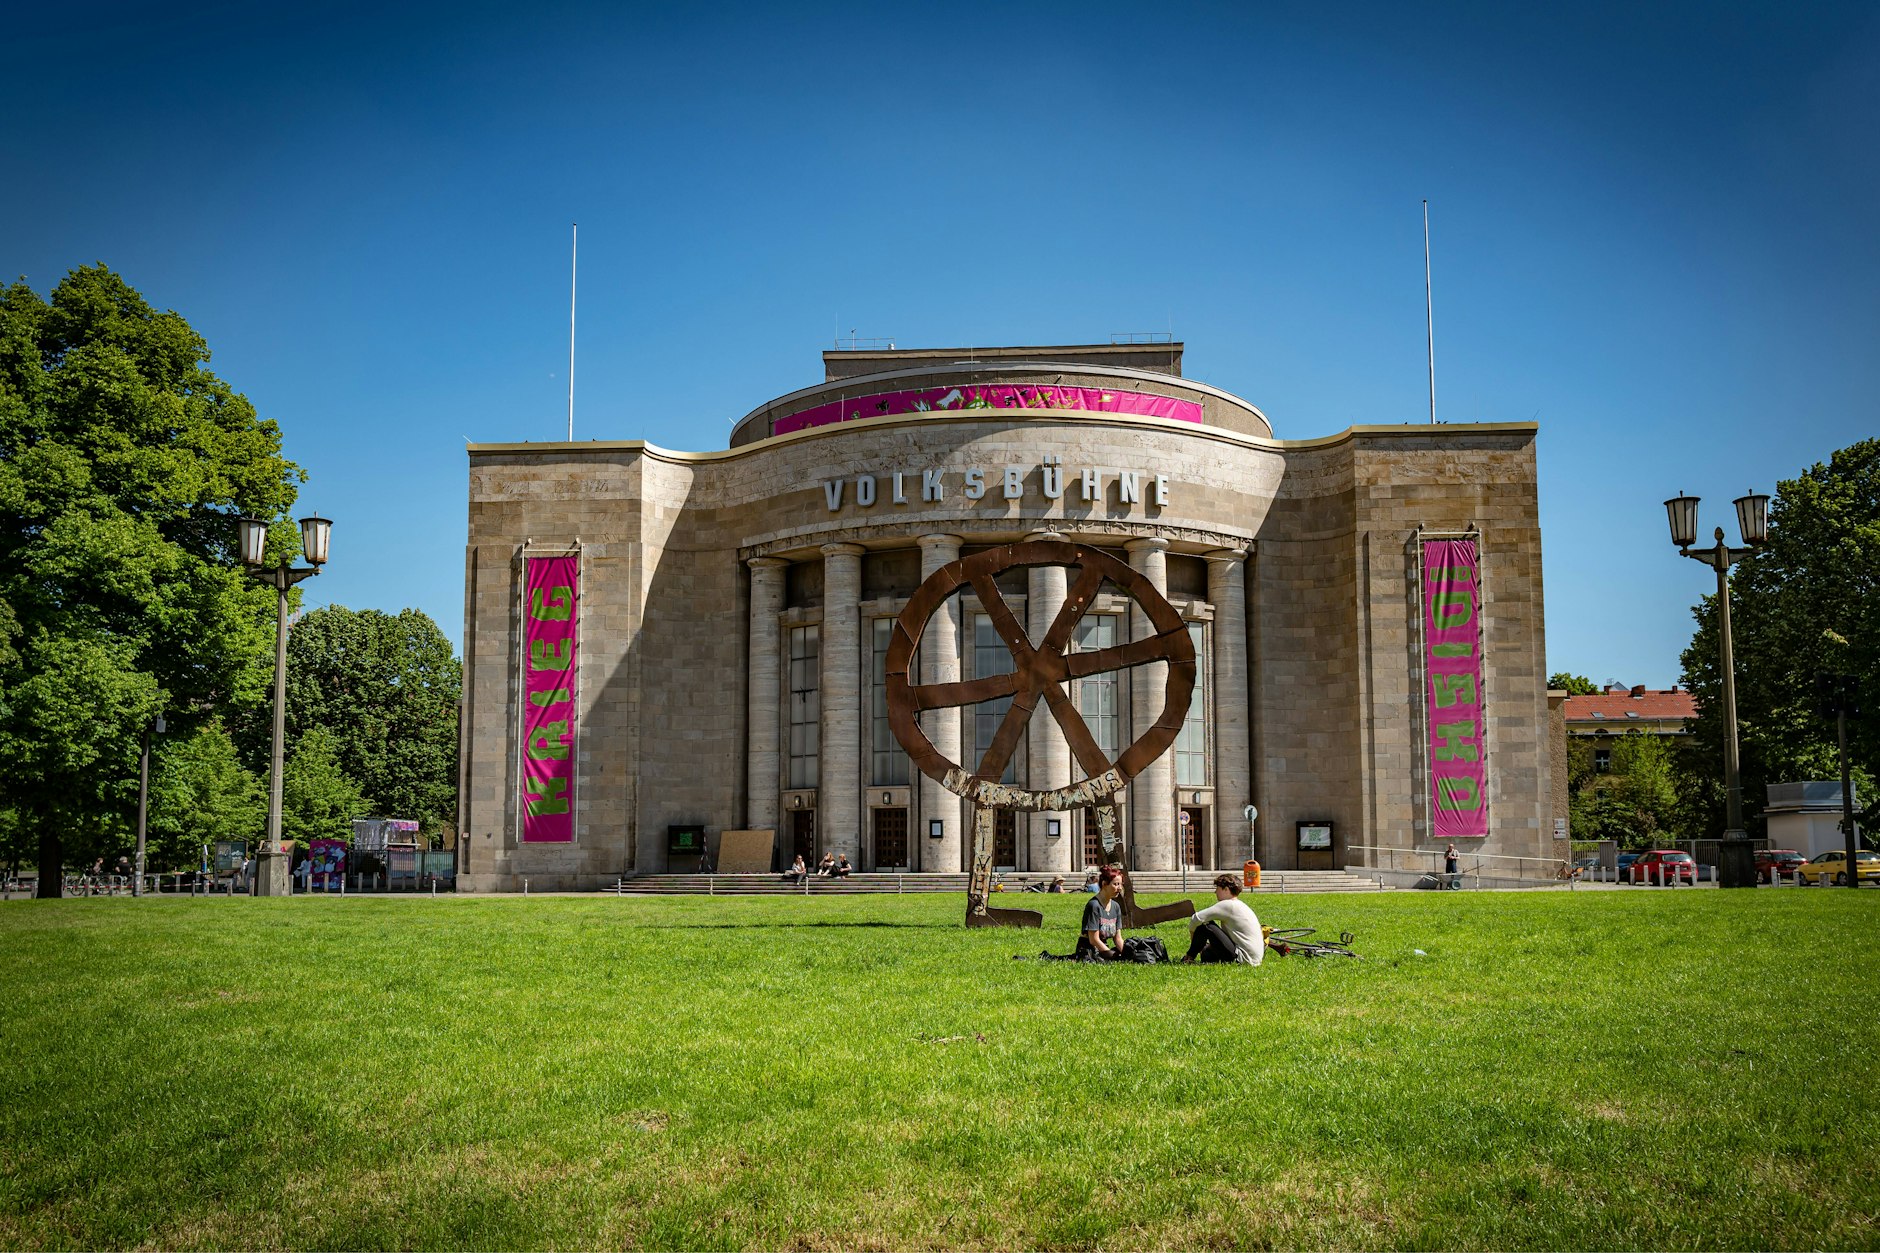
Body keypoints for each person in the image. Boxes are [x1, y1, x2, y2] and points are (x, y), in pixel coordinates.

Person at [1181, 874, 1265, 965]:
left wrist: (1193, 936)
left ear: (1226, 889)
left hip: (1243, 958)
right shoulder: (1240, 905)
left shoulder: (1228, 904)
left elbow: (1196, 919)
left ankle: (1189, 957)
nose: (1215, 892)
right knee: (1206, 954)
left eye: (1218, 888)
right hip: (1251, 958)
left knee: (1205, 924)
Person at [1076, 866, 1126, 961]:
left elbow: (1118, 939)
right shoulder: (1094, 905)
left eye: (1120, 884)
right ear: (1104, 884)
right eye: (1115, 884)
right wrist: (1112, 956)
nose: (1119, 888)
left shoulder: (1116, 906)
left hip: (1103, 949)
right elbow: (1094, 940)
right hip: (1089, 951)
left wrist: (1126, 955)